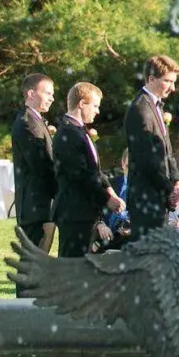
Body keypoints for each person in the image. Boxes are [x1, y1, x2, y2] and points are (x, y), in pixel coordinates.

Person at [51, 82, 123, 258]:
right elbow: (80, 175)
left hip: (84, 211)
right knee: (71, 264)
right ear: (82, 103)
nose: (98, 111)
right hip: (74, 211)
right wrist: (107, 199)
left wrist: (108, 188)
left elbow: (94, 170)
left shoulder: (79, 131)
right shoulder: (68, 133)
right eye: (95, 105)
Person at [124, 55, 179, 239]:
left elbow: (167, 152)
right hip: (145, 198)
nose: (172, 88)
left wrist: (177, 181)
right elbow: (146, 159)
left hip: (158, 195)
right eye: (167, 81)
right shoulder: (140, 109)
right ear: (151, 79)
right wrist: (168, 189)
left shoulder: (156, 107)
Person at [10, 72, 59, 259]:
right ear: (31, 94)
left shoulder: (35, 120)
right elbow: (42, 167)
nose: (52, 98)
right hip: (36, 207)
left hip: (42, 206)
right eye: (47, 93)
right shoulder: (27, 123)